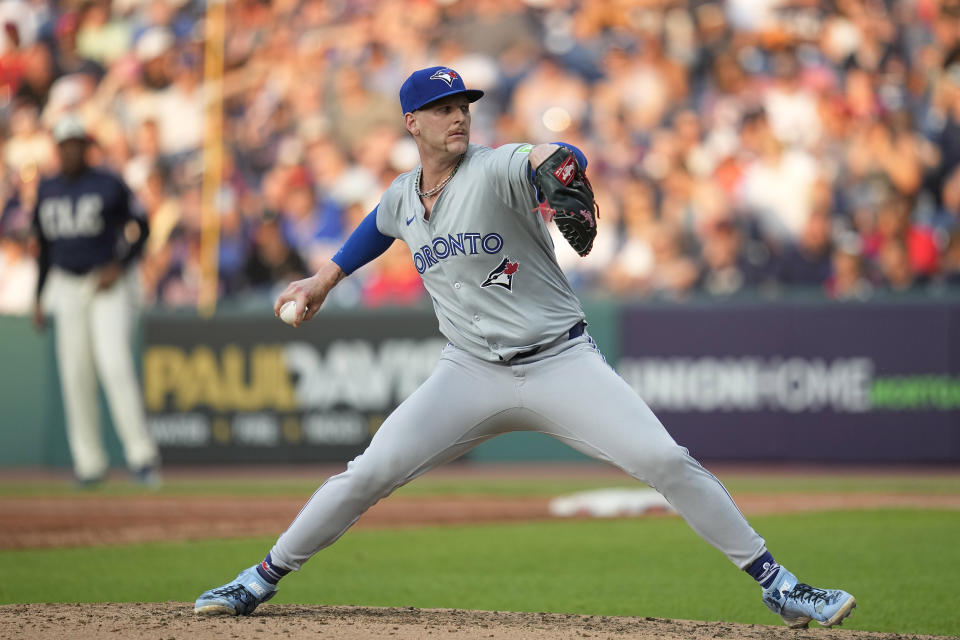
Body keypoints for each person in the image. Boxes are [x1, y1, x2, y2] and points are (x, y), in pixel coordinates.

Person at [194, 67, 856, 629]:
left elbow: (545, 156)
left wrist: (563, 164)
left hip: (559, 362)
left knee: (665, 458)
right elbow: (376, 226)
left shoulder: (496, 168)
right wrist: (324, 280)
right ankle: (259, 578)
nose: (458, 118)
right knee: (367, 473)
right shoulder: (403, 196)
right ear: (411, 124)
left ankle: (781, 584)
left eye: (463, 108)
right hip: (468, 373)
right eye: (442, 109)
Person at [32, 114, 161, 487]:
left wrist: (119, 265)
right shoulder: (47, 188)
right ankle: (89, 463)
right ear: (57, 148)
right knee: (75, 375)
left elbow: (143, 227)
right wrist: (39, 296)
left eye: (77, 143)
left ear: (85, 146)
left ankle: (142, 457)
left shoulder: (108, 181)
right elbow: (44, 247)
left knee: (115, 364)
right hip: (66, 285)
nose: (71, 150)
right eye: (65, 144)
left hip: (106, 282)